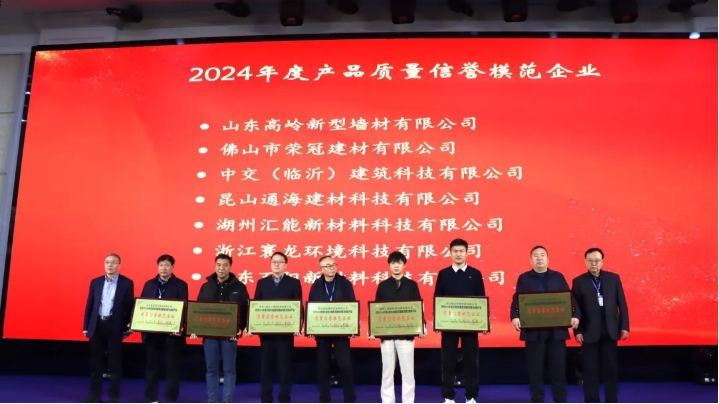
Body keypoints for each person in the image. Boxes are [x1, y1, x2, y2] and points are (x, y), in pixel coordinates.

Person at [510, 246, 580, 403]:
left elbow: (569, 298)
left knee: (558, 368)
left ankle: (560, 399)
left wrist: (576, 315)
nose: (539, 258)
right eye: (536, 255)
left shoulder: (558, 277)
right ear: (530, 260)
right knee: (535, 369)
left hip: (556, 330)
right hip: (533, 331)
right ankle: (537, 399)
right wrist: (514, 317)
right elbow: (517, 300)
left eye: (542, 255)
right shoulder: (524, 278)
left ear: (548, 259)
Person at [572, 247, 629, 403]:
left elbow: (622, 304)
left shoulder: (613, 278)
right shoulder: (579, 282)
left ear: (602, 261)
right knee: (590, 370)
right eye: (590, 261)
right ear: (585, 262)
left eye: (597, 260)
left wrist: (624, 326)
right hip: (589, 331)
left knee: (611, 370)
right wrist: (578, 331)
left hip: (611, 330)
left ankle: (611, 400)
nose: (594, 263)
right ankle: (592, 400)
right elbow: (575, 308)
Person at [433, 238, 487, 404]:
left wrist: (484, 321)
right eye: (455, 251)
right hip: (449, 325)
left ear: (467, 253)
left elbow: (481, 299)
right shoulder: (444, 274)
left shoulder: (475, 274)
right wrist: (437, 320)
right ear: (450, 253)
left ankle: (470, 396)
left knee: (471, 361)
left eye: (461, 251)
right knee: (448, 361)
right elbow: (438, 298)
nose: (458, 254)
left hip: (470, 325)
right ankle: (448, 396)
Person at [369, 251, 426, 404]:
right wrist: (373, 329)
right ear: (389, 265)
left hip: (406, 336)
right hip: (386, 337)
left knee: (408, 373)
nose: (396, 266)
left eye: (399, 263)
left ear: (404, 265)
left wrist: (421, 327)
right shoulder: (383, 286)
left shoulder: (412, 285)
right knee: (387, 373)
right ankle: (388, 401)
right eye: (393, 263)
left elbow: (418, 308)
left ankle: (408, 401)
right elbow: (376, 309)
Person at [191, 253, 249, 403]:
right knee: (211, 369)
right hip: (210, 335)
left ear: (230, 267)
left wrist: (240, 328)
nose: (221, 268)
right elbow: (198, 310)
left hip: (230, 335)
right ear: (215, 266)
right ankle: (212, 400)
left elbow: (245, 310)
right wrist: (194, 329)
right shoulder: (206, 286)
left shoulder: (239, 287)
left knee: (229, 369)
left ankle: (227, 400)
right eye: (218, 265)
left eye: (225, 265)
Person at [250, 252, 303, 403]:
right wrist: (252, 325)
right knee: (266, 367)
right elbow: (256, 306)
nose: (276, 264)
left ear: (286, 265)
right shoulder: (262, 283)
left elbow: (299, 306)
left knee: (284, 368)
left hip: (285, 334)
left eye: (280, 262)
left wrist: (298, 325)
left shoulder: (294, 283)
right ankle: (266, 398)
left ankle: (284, 398)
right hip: (266, 333)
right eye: (274, 261)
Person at [82, 253, 135, 403]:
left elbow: (129, 307)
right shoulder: (96, 282)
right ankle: (95, 396)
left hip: (115, 326)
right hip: (97, 325)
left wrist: (128, 327)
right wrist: (86, 327)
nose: (110, 265)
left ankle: (113, 397)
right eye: (107, 262)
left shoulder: (127, 283)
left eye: (113, 262)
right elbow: (90, 305)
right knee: (95, 363)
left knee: (114, 363)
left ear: (119, 265)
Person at [308, 255, 357, 403]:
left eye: (333, 265)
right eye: (328, 266)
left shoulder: (345, 284)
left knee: (345, 366)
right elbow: (311, 307)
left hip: (341, 332)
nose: (331, 268)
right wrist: (310, 327)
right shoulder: (316, 286)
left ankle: (350, 399)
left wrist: (353, 326)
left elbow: (352, 305)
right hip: (322, 334)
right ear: (321, 269)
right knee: (323, 368)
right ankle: (324, 399)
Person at [140, 254, 189, 403]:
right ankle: (150, 398)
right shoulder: (149, 284)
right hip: (152, 334)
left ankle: (171, 399)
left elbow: (184, 308)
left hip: (172, 335)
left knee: (172, 368)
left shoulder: (181, 285)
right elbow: (142, 306)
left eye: (167, 265)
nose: (163, 268)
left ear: (173, 267)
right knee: (151, 368)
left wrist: (179, 326)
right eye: (161, 265)